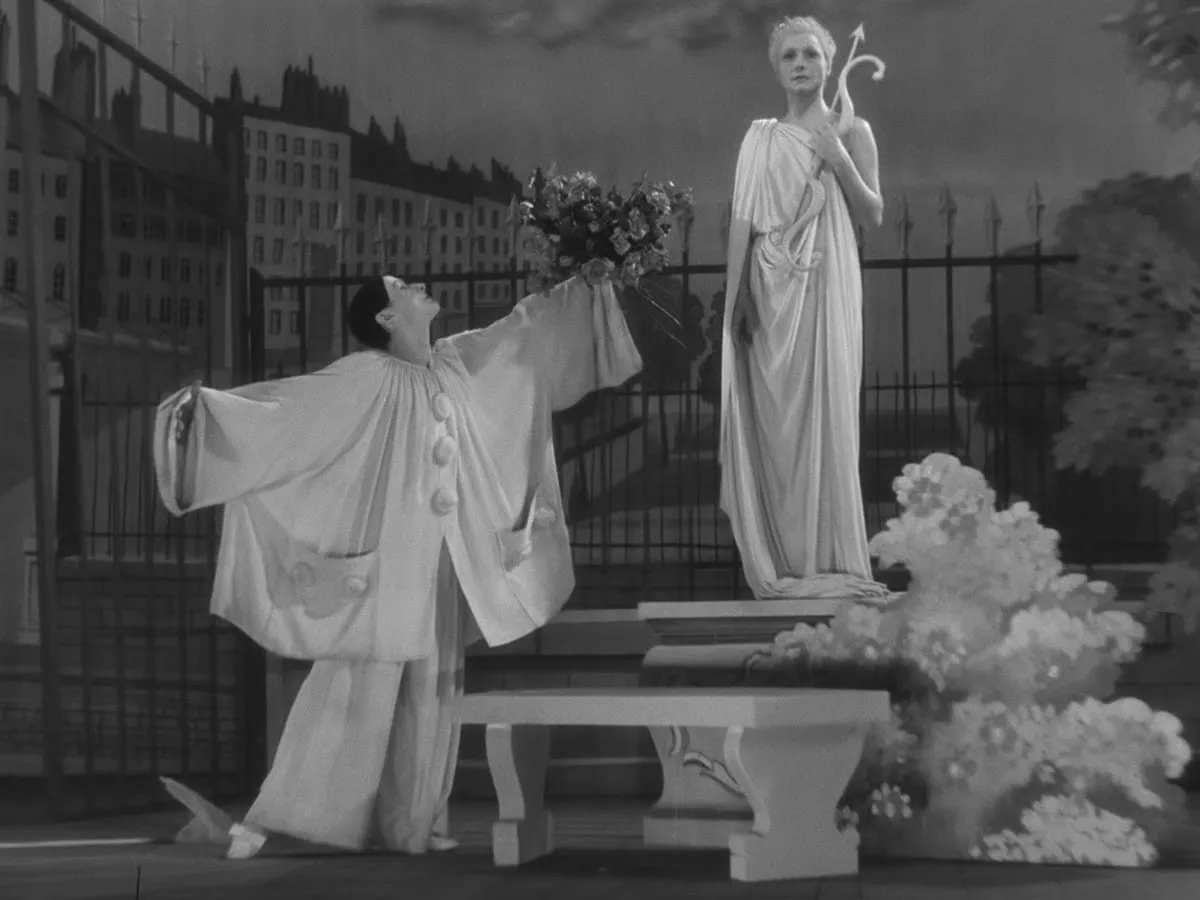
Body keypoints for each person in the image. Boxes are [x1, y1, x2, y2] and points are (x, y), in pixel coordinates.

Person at [153, 273, 642, 858]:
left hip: (442, 562)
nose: (417, 285)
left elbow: (525, 334)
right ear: (386, 318)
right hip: (387, 566)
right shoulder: (365, 376)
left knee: (433, 687)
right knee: (358, 685)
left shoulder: (457, 361)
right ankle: (292, 814)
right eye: (402, 286)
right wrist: (206, 418)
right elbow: (289, 413)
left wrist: (585, 283)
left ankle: (411, 822)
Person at [719, 16, 890, 602]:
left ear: (828, 63)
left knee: (827, 410)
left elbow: (873, 213)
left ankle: (832, 558)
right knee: (774, 425)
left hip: (826, 279)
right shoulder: (760, 138)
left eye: (811, 54)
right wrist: (737, 295)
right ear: (776, 67)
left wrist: (838, 157)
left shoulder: (853, 129)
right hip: (768, 289)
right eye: (790, 55)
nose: (800, 64)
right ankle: (786, 561)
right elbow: (742, 223)